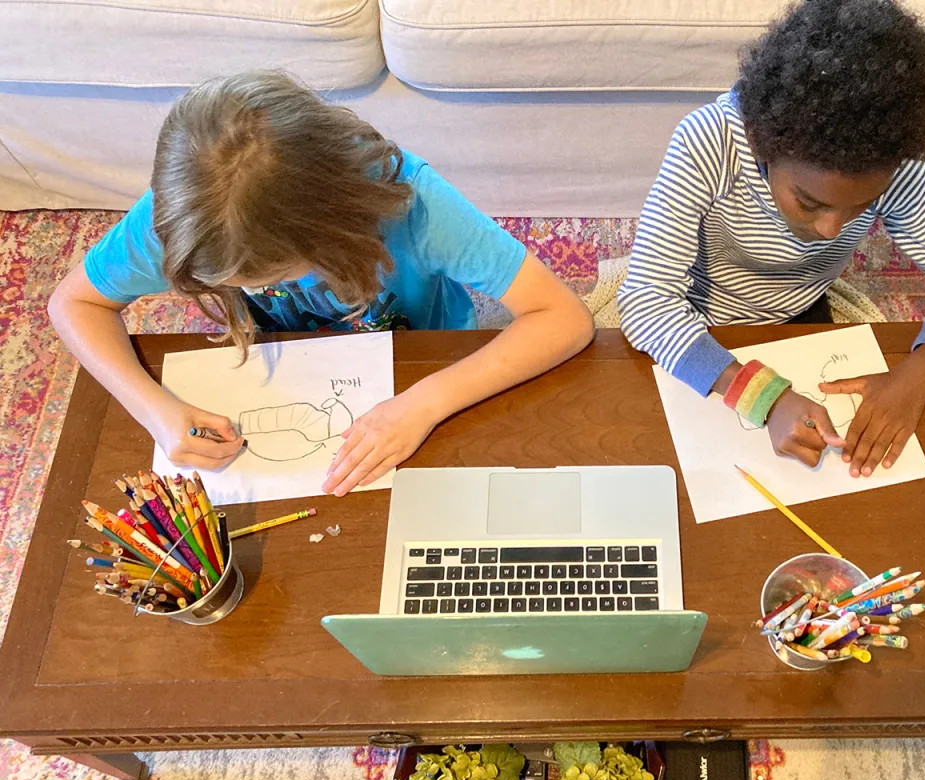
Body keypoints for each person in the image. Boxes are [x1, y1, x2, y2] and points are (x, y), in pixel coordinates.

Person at [49, 70, 595, 496]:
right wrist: (155, 411)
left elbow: (564, 317)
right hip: (287, 378)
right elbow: (73, 303)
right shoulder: (190, 217)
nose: (254, 293)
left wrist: (425, 402)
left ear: (329, 231)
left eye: (268, 279)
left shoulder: (415, 205)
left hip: (424, 359)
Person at [618, 0, 925, 478]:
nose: (833, 230)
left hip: (799, 311)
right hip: (700, 316)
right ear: (764, 144)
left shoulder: (896, 165)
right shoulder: (709, 143)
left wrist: (916, 376)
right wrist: (763, 397)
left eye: (860, 207)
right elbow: (647, 303)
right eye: (809, 202)